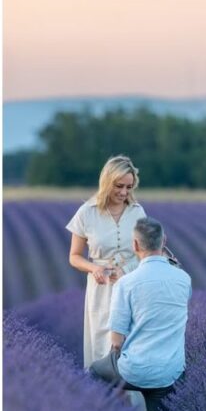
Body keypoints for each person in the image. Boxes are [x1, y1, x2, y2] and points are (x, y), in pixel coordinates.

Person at [89, 216, 191, 411]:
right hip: (171, 372)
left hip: (135, 370)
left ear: (135, 245)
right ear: (164, 241)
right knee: (159, 410)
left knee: (95, 371)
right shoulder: (184, 279)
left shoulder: (126, 283)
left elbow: (116, 341)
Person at [66, 155, 146, 369]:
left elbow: (145, 253)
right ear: (107, 182)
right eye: (119, 186)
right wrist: (94, 268)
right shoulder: (87, 212)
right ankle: (104, 400)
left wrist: (128, 270)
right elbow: (74, 256)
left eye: (129, 187)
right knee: (103, 346)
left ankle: (131, 402)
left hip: (131, 285)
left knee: (131, 347)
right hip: (101, 289)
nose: (124, 192)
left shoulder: (137, 212)